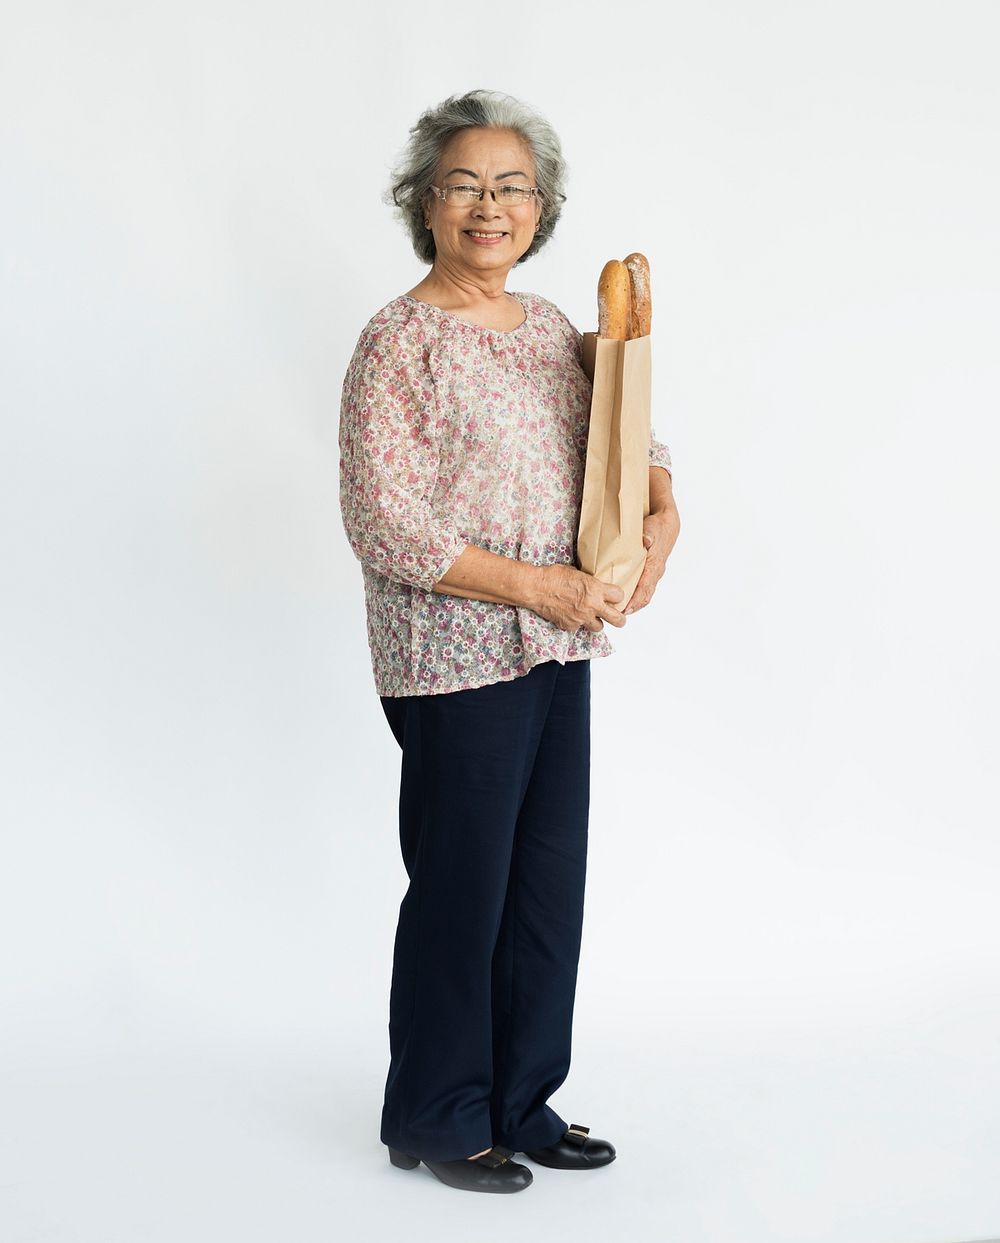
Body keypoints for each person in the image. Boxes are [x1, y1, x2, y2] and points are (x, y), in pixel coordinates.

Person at [338, 88, 680, 1194]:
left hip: (558, 648)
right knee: (461, 888)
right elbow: (385, 521)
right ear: (423, 205)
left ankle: (522, 1100)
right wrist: (540, 585)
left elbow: (632, 434)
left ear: (542, 208)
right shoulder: (399, 339)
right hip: (452, 655)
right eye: (465, 185)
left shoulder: (549, 331)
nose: (491, 206)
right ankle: (436, 1114)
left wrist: (661, 509)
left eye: (513, 187)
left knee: (542, 885)